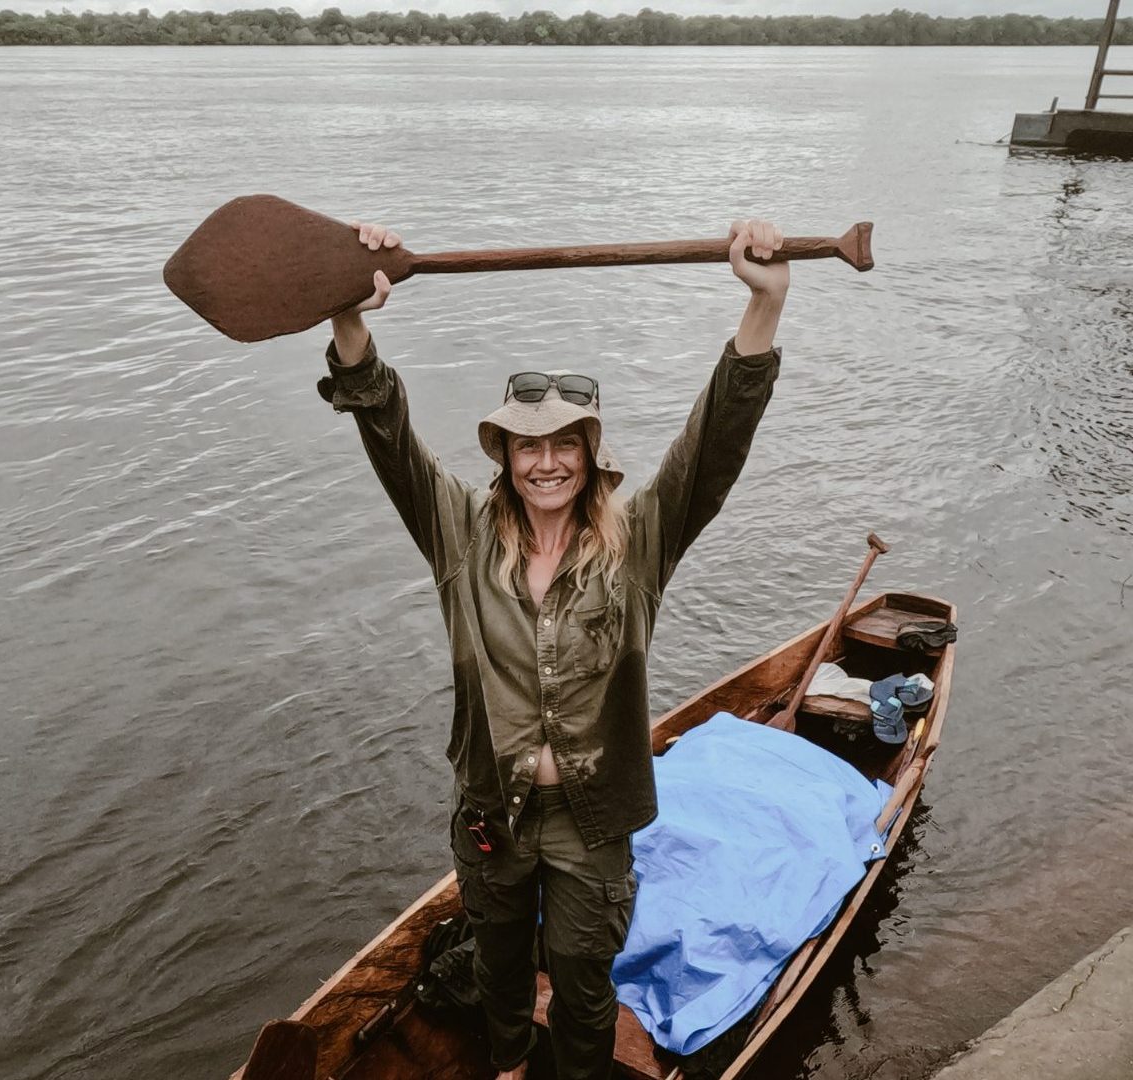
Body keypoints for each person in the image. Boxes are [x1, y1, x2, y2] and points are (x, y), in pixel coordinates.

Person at [317, 218, 789, 1080]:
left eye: (564, 443)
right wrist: (351, 322)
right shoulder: (458, 533)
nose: (546, 463)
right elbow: (385, 430)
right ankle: (505, 1066)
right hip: (491, 813)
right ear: (503, 455)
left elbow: (715, 442)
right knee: (498, 969)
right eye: (528, 444)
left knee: (580, 978)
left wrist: (764, 304)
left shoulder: (640, 540)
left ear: (589, 454)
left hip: (592, 816)